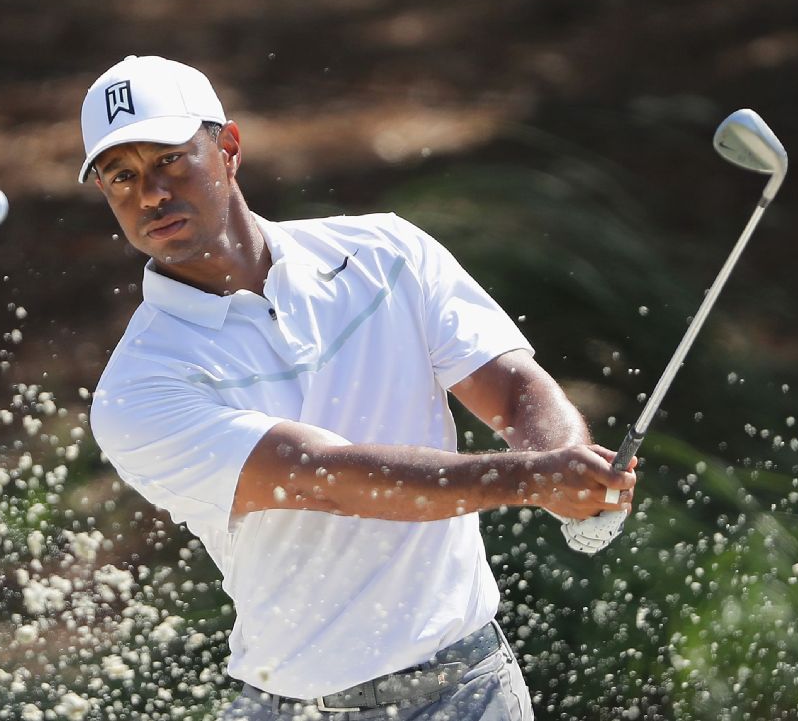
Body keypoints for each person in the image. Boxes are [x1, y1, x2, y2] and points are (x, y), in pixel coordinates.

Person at [79, 55, 638, 720]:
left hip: (470, 690)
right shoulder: (139, 386)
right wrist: (531, 479)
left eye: (170, 160)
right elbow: (327, 478)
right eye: (122, 176)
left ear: (228, 148)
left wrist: (568, 469)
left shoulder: (386, 252)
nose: (150, 194)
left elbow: (514, 390)